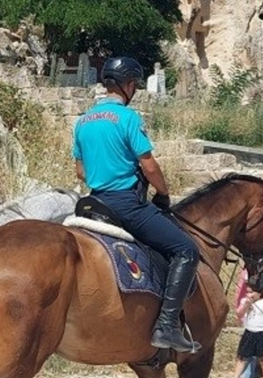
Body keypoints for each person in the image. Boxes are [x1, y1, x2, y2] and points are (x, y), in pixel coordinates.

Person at [72, 56, 201, 352]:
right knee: (186, 249)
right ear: (128, 85)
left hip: (93, 202)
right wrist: (164, 194)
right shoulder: (128, 118)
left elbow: (81, 172)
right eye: (134, 85)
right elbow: (149, 166)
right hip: (125, 203)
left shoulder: (83, 121)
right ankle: (167, 326)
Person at [229, 283, 263, 378]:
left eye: (251, 292)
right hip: (249, 332)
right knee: (242, 356)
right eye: (247, 292)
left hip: (262, 333)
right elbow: (239, 315)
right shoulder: (245, 302)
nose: (249, 294)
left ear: (259, 293)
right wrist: (246, 305)